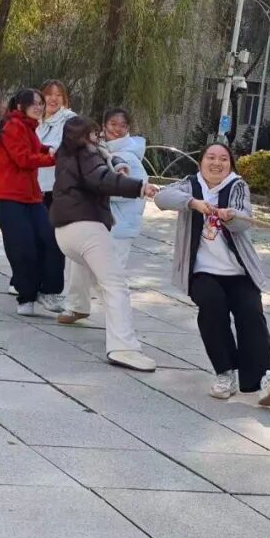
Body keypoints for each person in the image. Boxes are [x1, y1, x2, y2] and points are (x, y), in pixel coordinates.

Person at [155, 143, 270, 406]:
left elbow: (243, 221)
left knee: (251, 313)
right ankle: (225, 372)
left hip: (239, 271)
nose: (216, 163)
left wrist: (231, 216)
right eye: (211, 157)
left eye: (223, 159)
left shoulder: (237, 186)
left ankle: (263, 378)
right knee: (212, 306)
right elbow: (162, 198)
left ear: (230, 164)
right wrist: (193, 203)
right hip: (202, 271)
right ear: (201, 162)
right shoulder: (190, 185)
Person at [50, 116, 158, 372]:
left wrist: (118, 165)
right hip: (87, 227)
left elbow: (107, 161)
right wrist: (140, 187)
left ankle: (78, 306)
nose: (98, 138)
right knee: (115, 285)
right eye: (94, 134)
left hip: (64, 232)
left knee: (95, 276)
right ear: (86, 136)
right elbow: (101, 179)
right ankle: (124, 348)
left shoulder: (65, 155)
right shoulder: (87, 153)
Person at [0, 89, 64, 316]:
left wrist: (50, 149)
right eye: (34, 103)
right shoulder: (13, 126)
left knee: (51, 239)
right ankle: (27, 296)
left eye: (41, 103)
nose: (39, 107)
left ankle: (48, 291)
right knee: (23, 247)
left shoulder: (28, 127)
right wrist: (52, 158)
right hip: (9, 197)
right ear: (20, 106)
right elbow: (23, 158)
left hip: (31, 197)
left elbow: (35, 147)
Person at [35, 80, 78, 311]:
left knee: (53, 240)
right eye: (49, 94)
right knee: (33, 238)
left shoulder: (69, 120)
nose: (53, 99)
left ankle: (51, 290)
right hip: (32, 187)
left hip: (56, 189)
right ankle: (29, 283)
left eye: (58, 95)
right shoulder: (35, 120)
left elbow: (64, 149)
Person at [102, 108, 148, 269]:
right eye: (113, 124)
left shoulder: (128, 157)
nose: (117, 129)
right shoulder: (107, 151)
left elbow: (133, 189)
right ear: (104, 125)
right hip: (110, 224)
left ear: (128, 128)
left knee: (112, 275)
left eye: (123, 125)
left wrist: (97, 190)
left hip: (120, 226)